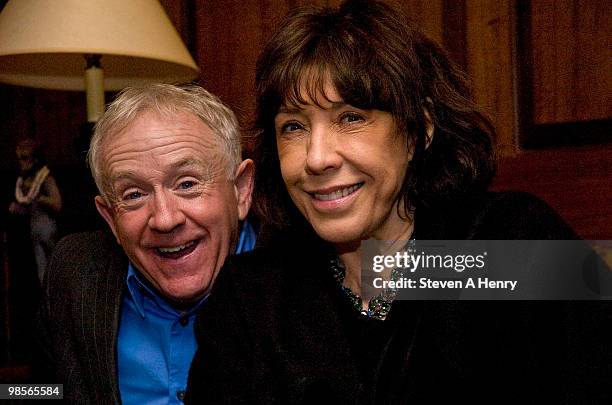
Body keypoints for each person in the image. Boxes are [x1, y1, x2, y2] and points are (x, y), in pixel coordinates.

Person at [186, 1, 612, 404]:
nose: (316, 158)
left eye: (351, 118)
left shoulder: (511, 241)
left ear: (417, 130)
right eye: (293, 127)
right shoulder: (252, 298)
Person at [34, 83, 256, 404]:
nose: (165, 219)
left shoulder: (311, 279)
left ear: (241, 190)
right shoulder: (74, 274)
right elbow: (40, 392)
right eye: (134, 195)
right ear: (110, 217)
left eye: (187, 183)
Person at [9, 138, 62, 283]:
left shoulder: (45, 177)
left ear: (35, 159)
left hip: (48, 228)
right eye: (19, 158)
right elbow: (27, 206)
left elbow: (57, 204)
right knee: (42, 270)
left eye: (25, 158)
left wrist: (39, 198)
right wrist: (18, 208)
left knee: (53, 267)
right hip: (34, 230)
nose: (22, 162)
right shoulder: (24, 180)